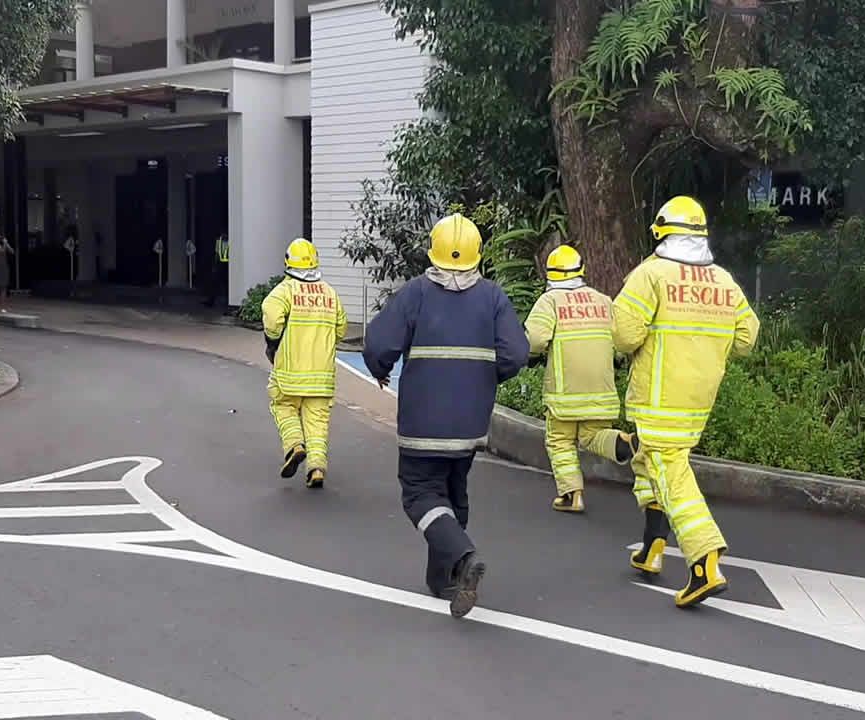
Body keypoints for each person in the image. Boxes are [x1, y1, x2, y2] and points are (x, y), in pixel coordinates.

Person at [363, 213, 529, 618]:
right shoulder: (492, 297)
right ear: (478, 254)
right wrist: (484, 377)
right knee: (453, 492)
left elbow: (379, 344)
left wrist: (380, 368)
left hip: (422, 422)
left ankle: (463, 557)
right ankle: (443, 578)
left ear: (432, 251)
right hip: (470, 423)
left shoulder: (416, 293)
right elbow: (516, 353)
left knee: (420, 493)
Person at [613, 195, 759, 609]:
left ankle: (704, 563)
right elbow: (746, 339)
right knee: (649, 465)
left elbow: (624, 336)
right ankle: (652, 546)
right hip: (696, 402)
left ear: (661, 232)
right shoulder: (724, 281)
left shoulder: (651, 275)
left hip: (658, 399)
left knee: (671, 474)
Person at [524, 245, 636, 513]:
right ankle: (624, 442)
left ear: (550, 274)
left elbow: (535, 341)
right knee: (592, 436)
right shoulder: (603, 301)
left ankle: (571, 495)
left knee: (560, 440)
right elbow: (622, 341)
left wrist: (527, 353)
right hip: (600, 391)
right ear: (581, 270)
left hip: (565, 394)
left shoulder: (550, 301)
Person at [262, 238, 347, 489]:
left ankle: (294, 445)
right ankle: (316, 468)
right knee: (318, 421)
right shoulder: (330, 293)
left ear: (288, 262)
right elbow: (341, 328)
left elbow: (271, 318)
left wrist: (273, 342)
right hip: (322, 376)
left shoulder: (284, 291)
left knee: (283, 406)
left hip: (289, 372)